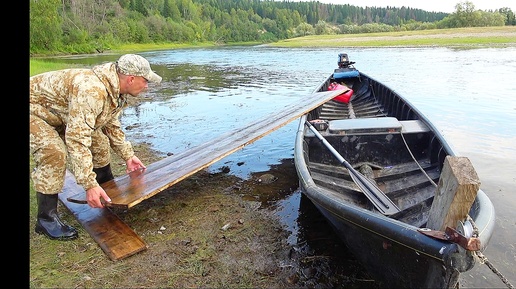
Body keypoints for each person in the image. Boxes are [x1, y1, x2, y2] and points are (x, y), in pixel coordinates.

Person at [30, 54, 162, 240]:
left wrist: (128, 156)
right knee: (54, 152)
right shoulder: (92, 90)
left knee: (99, 142)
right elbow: (77, 139)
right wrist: (88, 184)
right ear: (131, 79)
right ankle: (46, 220)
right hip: (34, 111)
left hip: (58, 112)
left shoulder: (115, 90)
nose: (147, 86)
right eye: (145, 80)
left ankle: (108, 192)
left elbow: (111, 125)